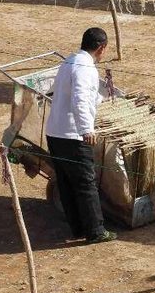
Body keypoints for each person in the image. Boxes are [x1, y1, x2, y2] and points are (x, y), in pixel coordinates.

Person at [45, 27, 116, 243]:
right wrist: (87, 129)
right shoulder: (85, 68)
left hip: (54, 132)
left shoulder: (70, 61)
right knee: (86, 183)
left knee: (66, 183)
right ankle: (96, 231)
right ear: (101, 48)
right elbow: (80, 99)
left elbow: (75, 94)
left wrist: (99, 98)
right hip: (71, 134)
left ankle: (77, 228)